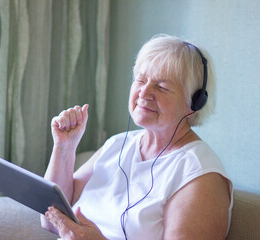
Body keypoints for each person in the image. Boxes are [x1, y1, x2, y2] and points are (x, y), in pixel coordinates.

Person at [41, 34, 233, 240]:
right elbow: (50, 219)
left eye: (162, 87)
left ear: (194, 104)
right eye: (140, 80)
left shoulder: (199, 173)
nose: (144, 92)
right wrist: (65, 147)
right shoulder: (117, 144)